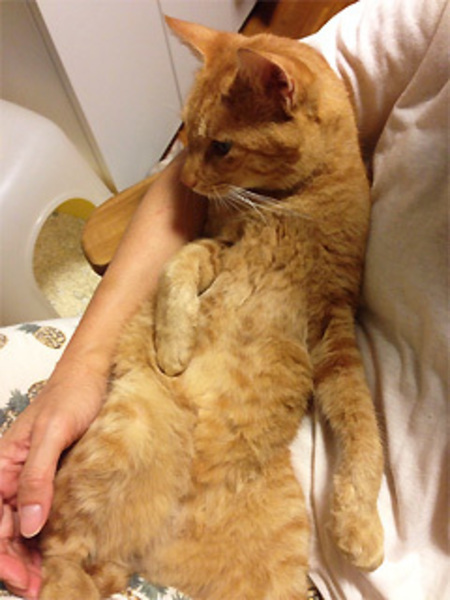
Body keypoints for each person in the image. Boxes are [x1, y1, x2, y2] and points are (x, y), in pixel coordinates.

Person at [0, 0, 447, 598]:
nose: (191, 175)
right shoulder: (428, 23)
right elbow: (221, 144)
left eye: (216, 153)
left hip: (265, 482)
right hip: (158, 405)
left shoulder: (333, 199)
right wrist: (78, 370)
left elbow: (331, 336)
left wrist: (358, 481)